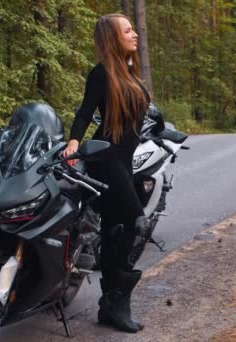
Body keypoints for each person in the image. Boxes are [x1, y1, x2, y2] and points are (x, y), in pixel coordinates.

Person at [63, 14, 152, 333]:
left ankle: (110, 306)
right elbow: (86, 111)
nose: (135, 33)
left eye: (133, 28)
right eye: (127, 30)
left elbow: (141, 120)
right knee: (137, 223)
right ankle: (116, 302)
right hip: (106, 156)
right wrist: (74, 141)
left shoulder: (129, 73)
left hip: (124, 161)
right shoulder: (101, 74)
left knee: (119, 231)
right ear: (112, 38)